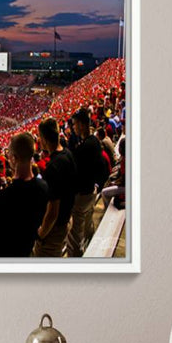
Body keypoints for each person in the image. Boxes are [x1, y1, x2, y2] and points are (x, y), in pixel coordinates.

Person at [0, 133, 49, 257]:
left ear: (14, 159)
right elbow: (20, 223)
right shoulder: (43, 187)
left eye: (9, 154)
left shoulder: (1, 198)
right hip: (26, 251)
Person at [67, 107, 110, 257]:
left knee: (74, 237)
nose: (73, 127)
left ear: (83, 124)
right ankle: (91, 248)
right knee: (87, 225)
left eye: (75, 124)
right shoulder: (94, 142)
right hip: (91, 191)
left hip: (83, 194)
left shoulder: (86, 146)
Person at [33, 117, 77, 257]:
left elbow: (53, 210)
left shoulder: (53, 167)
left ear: (44, 139)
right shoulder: (68, 154)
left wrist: (41, 234)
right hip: (65, 219)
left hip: (54, 229)